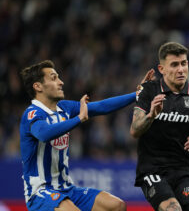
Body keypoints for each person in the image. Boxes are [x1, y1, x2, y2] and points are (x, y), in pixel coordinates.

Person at [19, 60, 154, 211]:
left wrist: (137, 95)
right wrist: (78, 119)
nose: (61, 82)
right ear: (38, 86)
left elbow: (101, 107)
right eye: (53, 78)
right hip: (40, 192)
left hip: (66, 188)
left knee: (117, 206)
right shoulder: (32, 114)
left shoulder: (64, 108)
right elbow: (44, 134)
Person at [130, 42, 189, 211]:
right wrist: (151, 115)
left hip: (186, 169)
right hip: (154, 169)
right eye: (174, 65)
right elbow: (134, 131)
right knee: (172, 209)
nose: (181, 69)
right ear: (162, 69)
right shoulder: (148, 90)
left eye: (184, 63)